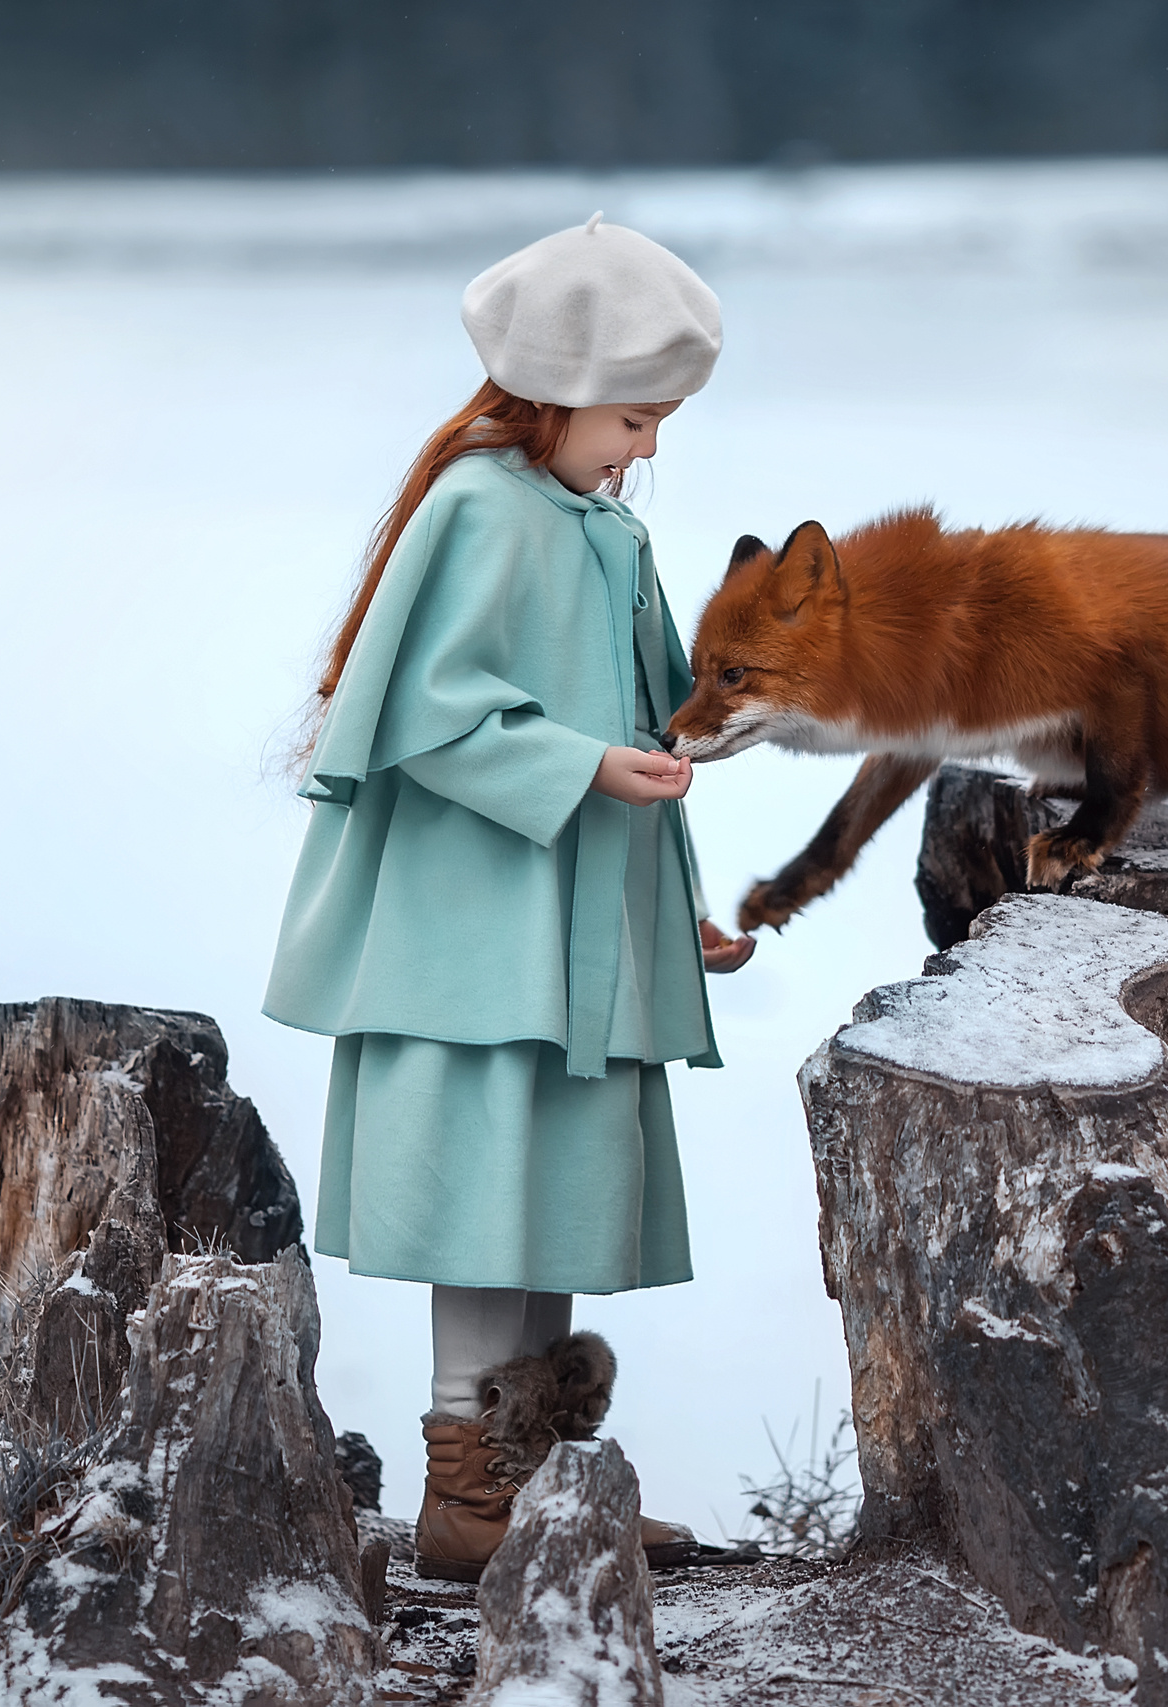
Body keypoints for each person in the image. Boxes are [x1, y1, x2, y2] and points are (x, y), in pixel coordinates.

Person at [262, 214, 753, 1582]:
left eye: (658, 425)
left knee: (547, 1187)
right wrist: (584, 764)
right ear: (557, 387)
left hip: (578, 932)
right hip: (478, 931)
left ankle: (532, 1484)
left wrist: (672, 912)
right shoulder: (483, 507)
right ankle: (468, 1497)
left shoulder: (602, 530)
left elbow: (646, 736)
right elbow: (428, 709)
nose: (643, 450)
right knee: (486, 1186)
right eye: (634, 418)